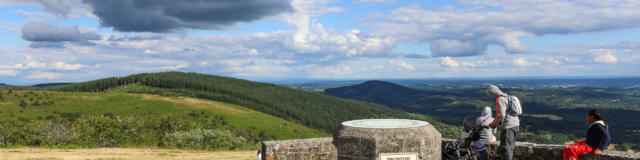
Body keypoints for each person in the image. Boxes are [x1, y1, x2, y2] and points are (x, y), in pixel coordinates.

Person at [486, 85, 520, 160]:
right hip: (516, 125)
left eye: (489, 94)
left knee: (505, 149)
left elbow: (501, 115)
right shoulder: (507, 97)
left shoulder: (499, 99)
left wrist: (493, 124)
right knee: (510, 148)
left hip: (508, 126)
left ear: (492, 93)